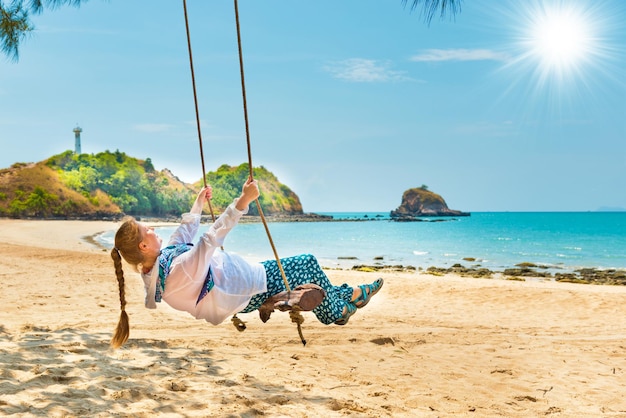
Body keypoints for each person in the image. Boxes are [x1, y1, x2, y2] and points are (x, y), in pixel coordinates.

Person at [110, 178, 383, 349]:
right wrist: (243, 201)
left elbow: (183, 234)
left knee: (308, 272)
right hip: (253, 287)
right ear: (143, 246)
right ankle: (338, 311)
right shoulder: (178, 271)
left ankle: (351, 294)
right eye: (149, 230)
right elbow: (210, 238)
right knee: (308, 263)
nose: (154, 229)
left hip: (247, 281)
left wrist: (197, 204)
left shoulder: (159, 268)